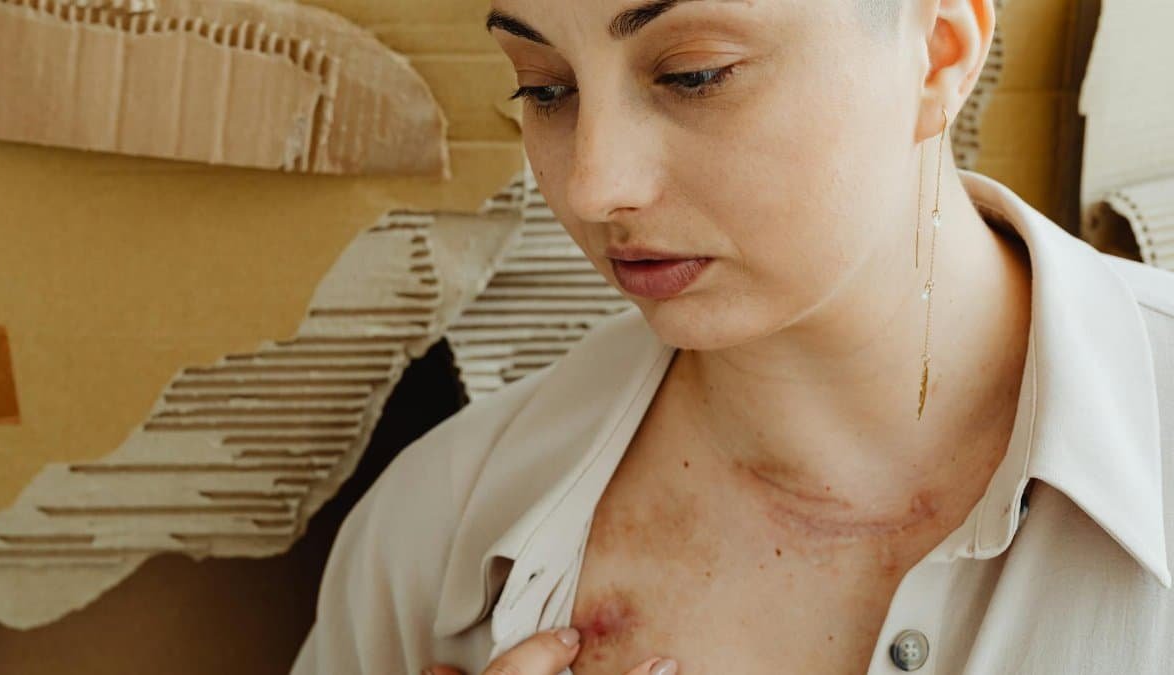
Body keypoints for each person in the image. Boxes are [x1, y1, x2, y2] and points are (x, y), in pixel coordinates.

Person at [290, 0, 1174, 673]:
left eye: (694, 75)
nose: (594, 186)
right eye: (545, 87)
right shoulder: (431, 536)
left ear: (939, 48)